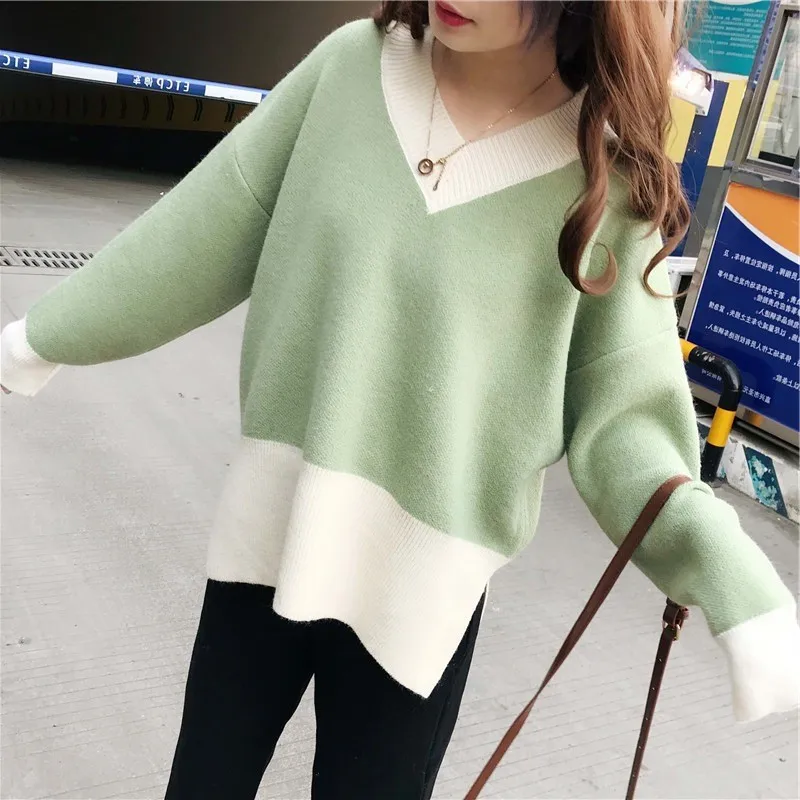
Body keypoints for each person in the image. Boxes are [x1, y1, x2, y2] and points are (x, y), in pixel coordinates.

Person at [1, 2, 798, 798]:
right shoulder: (352, 67)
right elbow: (199, 231)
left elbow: (628, 428)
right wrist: (42, 335)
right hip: (266, 544)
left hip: (421, 601)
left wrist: (732, 583)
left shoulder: (604, 179)